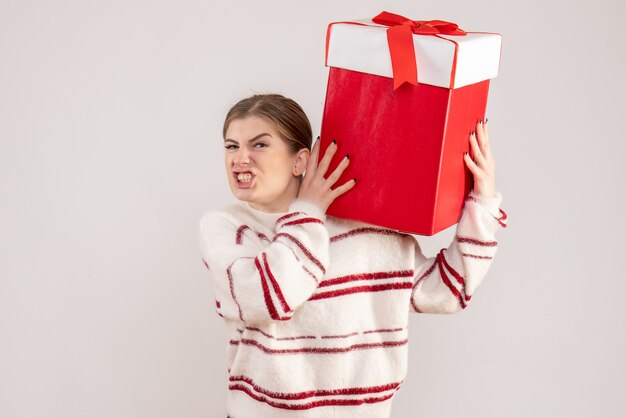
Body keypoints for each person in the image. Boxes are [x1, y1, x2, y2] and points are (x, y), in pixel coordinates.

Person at [198, 94, 507, 418]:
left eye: (259, 145)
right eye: (231, 146)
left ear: (300, 161)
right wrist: (309, 212)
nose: (240, 158)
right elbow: (273, 295)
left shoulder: (365, 229)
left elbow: (449, 290)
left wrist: (483, 202)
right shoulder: (226, 229)